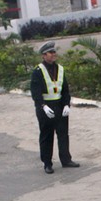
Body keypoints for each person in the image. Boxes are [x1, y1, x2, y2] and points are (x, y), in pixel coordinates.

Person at [30, 41, 79, 174]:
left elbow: (65, 90)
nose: (53, 54)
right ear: (44, 55)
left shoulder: (60, 69)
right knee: (47, 136)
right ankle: (47, 163)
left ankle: (66, 159)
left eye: (54, 52)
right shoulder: (38, 71)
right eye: (50, 53)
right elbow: (35, 93)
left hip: (59, 106)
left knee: (63, 134)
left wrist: (66, 105)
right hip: (46, 108)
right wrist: (43, 106)